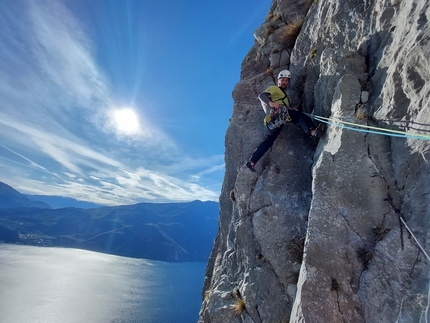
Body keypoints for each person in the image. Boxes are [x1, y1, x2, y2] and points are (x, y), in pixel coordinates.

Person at [246, 69, 324, 172]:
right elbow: (261, 96)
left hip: (277, 119)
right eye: (282, 80)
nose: (284, 82)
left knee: (269, 141)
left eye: (286, 81)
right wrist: (271, 103)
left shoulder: (285, 97)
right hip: (277, 115)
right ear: (278, 80)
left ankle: (252, 161)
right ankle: (313, 131)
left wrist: (296, 105)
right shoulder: (274, 89)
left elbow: (287, 107)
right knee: (300, 116)